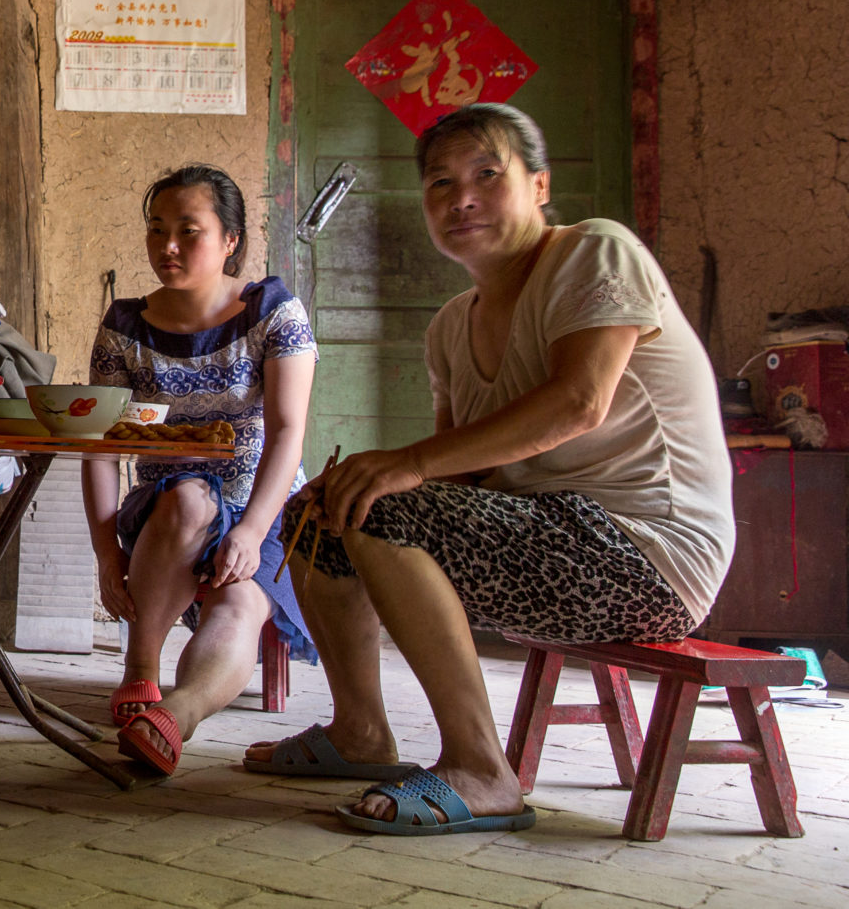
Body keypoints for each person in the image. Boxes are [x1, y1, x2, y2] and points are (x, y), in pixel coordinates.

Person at [245, 103, 734, 836]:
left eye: (486, 174)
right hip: (544, 535)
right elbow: (465, 479)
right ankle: (361, 734)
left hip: (648, 556)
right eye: (439, 183)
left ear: (538, 187)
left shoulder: (594, 252)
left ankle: (482, 768)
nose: (460, 196)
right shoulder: (451, 326)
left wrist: (403, 465)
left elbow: (579, 401)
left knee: (385, 502)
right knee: (326, 512)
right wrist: (354, 482)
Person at [81, 165, 319, 776]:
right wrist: (108, 555)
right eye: (157, 229)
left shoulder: (272, 312)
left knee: (239, 604)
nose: (168, 247)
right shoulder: (124, 327)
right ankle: (142, 671)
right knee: (187, 495)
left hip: (263, 505)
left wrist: (249, 529)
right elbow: (102, 444)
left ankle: (172, 719)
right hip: (165, 511)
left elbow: (289, 432)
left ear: (230, 240)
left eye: (189, 231)